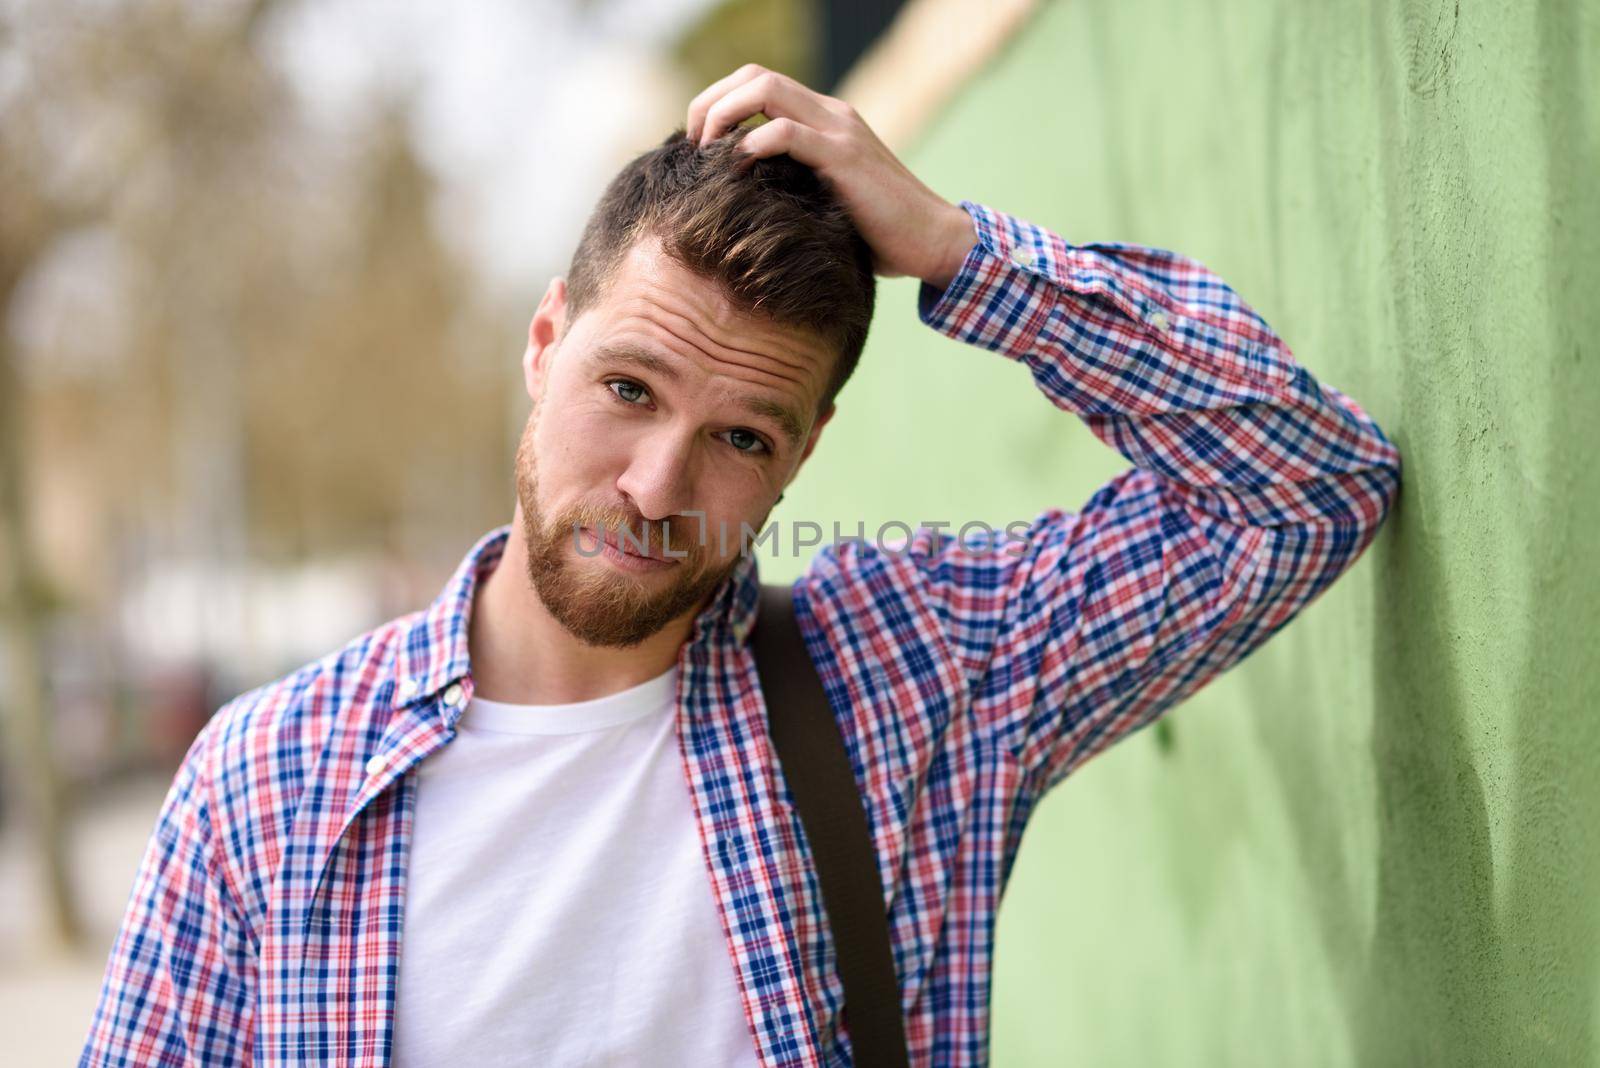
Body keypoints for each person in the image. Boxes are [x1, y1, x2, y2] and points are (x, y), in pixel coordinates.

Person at [79, 65, 1401, 1067]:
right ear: (546, 341)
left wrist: (960, 250)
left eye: (738, 436)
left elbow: (1305, 488)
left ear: (806, 451)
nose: (658, 486)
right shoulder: (269, 790)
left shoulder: (914, 673)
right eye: (629, 386)